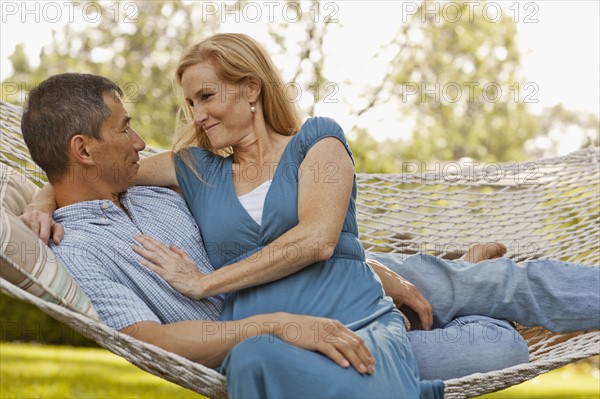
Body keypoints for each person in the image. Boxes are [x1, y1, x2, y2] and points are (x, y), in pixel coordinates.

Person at [20, 71, 598, 392]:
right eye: (126, 127)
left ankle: (470, 274)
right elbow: (150, 338)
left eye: (206, 97)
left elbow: (72, 179)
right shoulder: (84, 249)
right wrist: (275, 324)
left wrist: (45, 193)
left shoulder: (151, 184)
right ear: (84, 148)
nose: (143, 140)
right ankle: (462, 287)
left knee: (504, 280)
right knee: (500, 345)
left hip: (334, 275)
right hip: (293, 330)